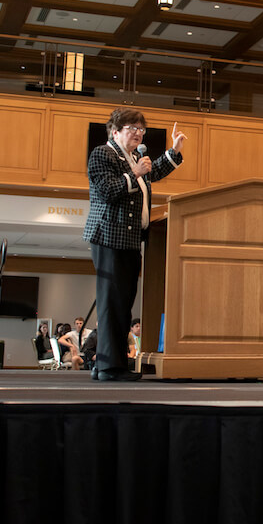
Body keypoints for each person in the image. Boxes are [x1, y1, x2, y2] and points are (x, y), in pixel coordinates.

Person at [84, 108, 186, 382]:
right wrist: (135, 172)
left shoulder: (133, 158)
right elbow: (107, 190)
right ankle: (109, 367)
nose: (139, 133)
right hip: (109, 237)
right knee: (112, 304)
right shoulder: (103, 154)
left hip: (129, 240)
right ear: (115, 131)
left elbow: (153, 172)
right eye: (133, 128)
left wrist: (174, 151)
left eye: (141, 129)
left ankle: (106, 364)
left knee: (122, 304)